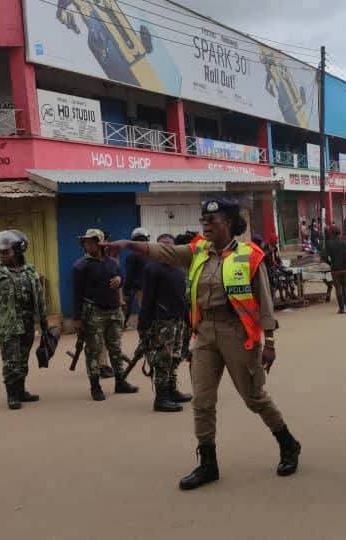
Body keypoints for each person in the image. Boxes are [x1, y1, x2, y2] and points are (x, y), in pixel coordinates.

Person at [105, 199, 301, 490]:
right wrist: (128, 245)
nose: (206, 225)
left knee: (254, 397)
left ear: (230, 223)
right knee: (203, 401)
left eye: (213, 220)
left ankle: (288, 443)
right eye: (204, 220)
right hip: (205, 333)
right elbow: (164, 252)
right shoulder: (197, 250)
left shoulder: (250, 255)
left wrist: (269, 342)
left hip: (236, 332)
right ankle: (208, 463)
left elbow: (265, 303)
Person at [0, 230, 48, 410]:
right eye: (0, 252)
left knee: (23, 359)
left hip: (27, 324)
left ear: (17, 251)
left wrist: (44, 320)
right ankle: (11, 395)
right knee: (11, 360)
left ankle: (21, 390)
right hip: (7, 324)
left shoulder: (30, 271)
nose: (2, 255)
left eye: (6, 252)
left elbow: (39, 296)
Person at [72, 229, 139, 401]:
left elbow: (122, 278)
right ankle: (95, 386)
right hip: (94, 312)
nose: (87, 245)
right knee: (93, 351)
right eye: (85, 242)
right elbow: (76, 293)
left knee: (115, 349)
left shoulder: (112, 262)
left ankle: (120, 382)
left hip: (114, 312)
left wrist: (119, 280)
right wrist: (77, 318)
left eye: (91, 242)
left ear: (100, 243)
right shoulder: (81, 265)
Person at [139, 233, 193, 413]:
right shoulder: (152, 268)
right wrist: (144, 323)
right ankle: (161, 398)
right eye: (162, 245)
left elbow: (183, 297)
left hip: (178, 320)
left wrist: (188, 320)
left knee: (176, 356)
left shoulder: (179, 269)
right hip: (161, 321)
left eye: (170, 245)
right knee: (163, 358)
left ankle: (172, 390)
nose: (166, 248)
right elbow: (147, 298)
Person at [123, 227, 150, 328]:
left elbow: (129, 274)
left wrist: (126, 290)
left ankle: (123, 324)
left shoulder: (132, 256)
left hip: (135, 286)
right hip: (146, 286)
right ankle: (146, 325)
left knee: (127, 306)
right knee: (145, 308)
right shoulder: (150, 254)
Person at [323, 226, 346, 314]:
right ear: (339, 233)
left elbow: (324, 256)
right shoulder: (345, 243)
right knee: (345, 288)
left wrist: (330, 263)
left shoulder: (329, 244)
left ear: (331, 233)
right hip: (345, 269)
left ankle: (341, 308)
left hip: (335, 269)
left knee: (338, 288)